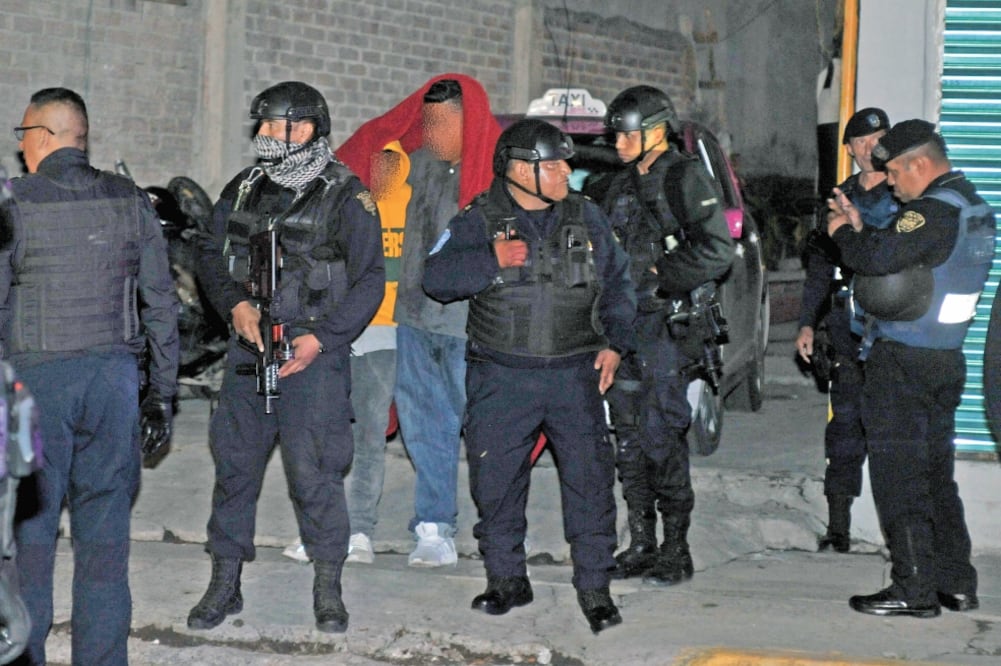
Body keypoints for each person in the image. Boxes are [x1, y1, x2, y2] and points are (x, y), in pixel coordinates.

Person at [423, 118, 637, 634]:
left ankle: (595, 588)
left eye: (566, 162)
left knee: (589, 483)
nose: (568, 171)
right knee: (496, 482)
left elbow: (619, 287)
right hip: (502, 375)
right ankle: (506, 580)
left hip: (575, 375)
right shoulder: (480, 218)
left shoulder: (587, 216)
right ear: (521, 170)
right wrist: (490, 260)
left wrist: (615, 345)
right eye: (555, 164)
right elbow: (435, 278)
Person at [188, 81, 384, 634]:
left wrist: (323, 338)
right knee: (234, 469)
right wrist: (235, 306)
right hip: (251, 347)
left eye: (276, 126)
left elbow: (370, 279)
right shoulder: (246, 186)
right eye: (263, 126)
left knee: (315, 473)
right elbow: (209, 251)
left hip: (313, 354)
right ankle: (224, 585)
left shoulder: (348, 195)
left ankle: (328, 587)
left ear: (309, 128)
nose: (265, 136)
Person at [0, 87, 179, 665]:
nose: (21, 150)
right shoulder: (129, 199)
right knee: (105, 543)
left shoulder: (14, 203)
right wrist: (161, 397)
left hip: (36, 388)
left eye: (22, 137)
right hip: (113, 386)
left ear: (44, 137)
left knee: (30, 540)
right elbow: (160, 304)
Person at [827, 119, 994, 617]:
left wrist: (843, 234)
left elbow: (879, 260)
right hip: (944, 358)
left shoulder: (931, 212)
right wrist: (867, 228)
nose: (893, 185)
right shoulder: (971, 204)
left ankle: (914, 589)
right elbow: (910, 255)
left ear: (920, 164)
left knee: (899, 478)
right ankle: (955, 581)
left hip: (904, 361)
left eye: (896, 172)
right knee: (936, 477)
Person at [337, 74, 500, 567]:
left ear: (465, 122)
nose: (428, 130)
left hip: (471, 326)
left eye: (440, 122)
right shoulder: (411, 164)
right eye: (425, 120)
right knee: (426, 429)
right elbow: (365, 191)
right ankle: (434, 527)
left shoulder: (491, 172)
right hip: (412, 319)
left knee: (488, 433)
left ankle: (500, 529)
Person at [600, 86, 734, 585]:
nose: (616, 140)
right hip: (623, 331)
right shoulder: (618, 186)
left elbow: (717, 249)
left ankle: (676, 548)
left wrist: (659, 274)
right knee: (628, 440)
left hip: (665, 330)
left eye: (625, 132)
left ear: (654, 132)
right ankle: (641, 542)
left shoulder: (682, 177)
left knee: (662, 437)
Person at [283, 140, 411, 565]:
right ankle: (320, 528)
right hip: (329, 333)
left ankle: (359, 530)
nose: (383, 174)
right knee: (319, 435)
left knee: (369, 437)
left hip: (379, 334)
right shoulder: (340, 198)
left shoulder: (408, 203)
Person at [795, 107, 898, 553]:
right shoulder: (838, 199)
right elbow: (820, 271)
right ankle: (838, 527)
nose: (871, 147)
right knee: (845, 426)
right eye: (862, 141)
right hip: (846, 328)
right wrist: (805, 322)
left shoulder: (905, 196)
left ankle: (901, 533)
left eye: (879, 138)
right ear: (851, 149)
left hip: (893, 328)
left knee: (893, 430)